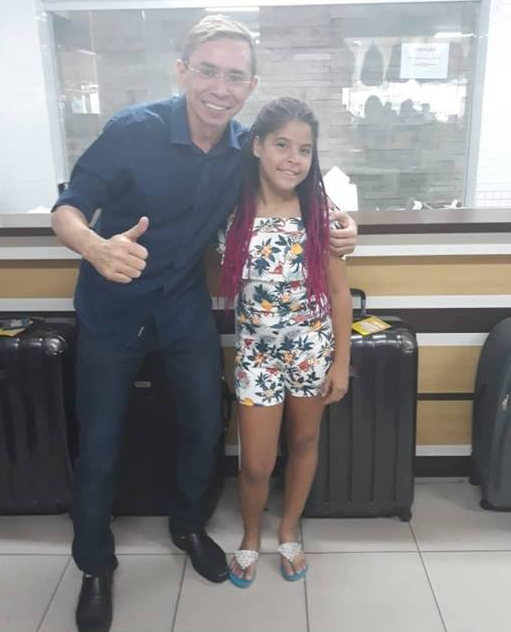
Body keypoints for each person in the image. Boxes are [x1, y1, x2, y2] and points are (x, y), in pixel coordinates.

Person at [50, 14, 357, 632]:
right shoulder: (132, 130)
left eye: (235, 76)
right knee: (101, 438)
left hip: (183, 306)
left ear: (250, 86)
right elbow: (68, 208)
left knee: (202, 423)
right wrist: (94, 246)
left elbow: (299, 181)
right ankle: (94, 565)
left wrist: (347, 224)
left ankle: (189, 527)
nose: (220, 87)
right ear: (182, 71)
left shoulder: (245, 148)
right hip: (113, 307)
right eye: (208, 71)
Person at [217, 97, 352, 587]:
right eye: (281, 145)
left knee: (303, 440)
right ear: (256, 146)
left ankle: (289, 530)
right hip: (256, 355)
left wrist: (341, 362)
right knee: (256, 462)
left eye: (305, 149)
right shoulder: (231, 210)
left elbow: (339, 293)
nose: (293, 159)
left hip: (311, 350)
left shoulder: (320, 214)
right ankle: (252, 534)